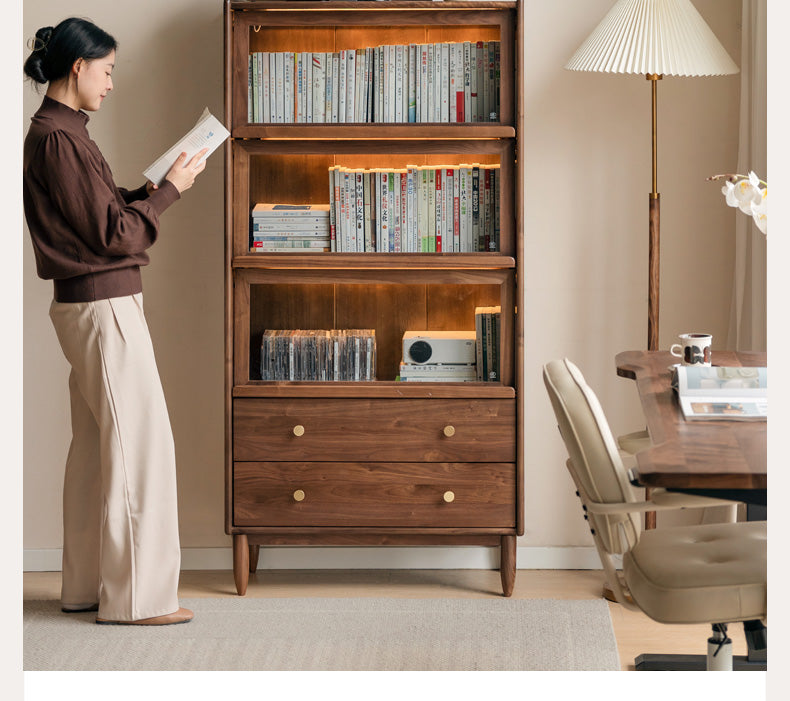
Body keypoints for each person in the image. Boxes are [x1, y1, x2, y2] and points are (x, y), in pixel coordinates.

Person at [23, 17, 208, 625]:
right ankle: (136, 600)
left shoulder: (60, 134)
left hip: (86, 304)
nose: (111, 83)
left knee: (100, 451)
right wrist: (170, 192)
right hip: (103, 306)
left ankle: (86, 586)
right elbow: (112, 234)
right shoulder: (59, 139)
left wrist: (145, 189)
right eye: (107, 71)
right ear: (78, 68)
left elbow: (97, 215)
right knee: (140, 449)